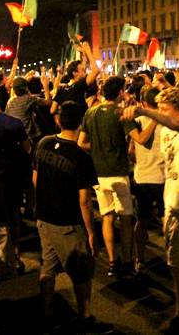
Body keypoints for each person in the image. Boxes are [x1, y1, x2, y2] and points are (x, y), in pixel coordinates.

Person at [123, 87, 179, 334]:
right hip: (172, 200)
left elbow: (175, 125)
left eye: (163, 109)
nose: (158, 114)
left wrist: (140, 109)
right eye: (157, 108)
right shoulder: (167, 133)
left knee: (175, 261)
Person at [33, 101, 112, 333]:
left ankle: (47, 313)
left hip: (44, 217)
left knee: (48, 267)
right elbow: (84, 200)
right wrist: (90, 233)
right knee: (81, 272)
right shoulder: (81, 157)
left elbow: (35, 179)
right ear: (81, 122)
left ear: (58, 119)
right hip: (67, 222)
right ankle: (84, 316)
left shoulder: (44, 143)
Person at [79, 76, 157, 277]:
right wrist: (156, 120)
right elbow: (140, 139)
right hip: (119, 171)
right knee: (125, 219)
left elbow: (81, 143)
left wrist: (97, 148)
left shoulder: (90, 113)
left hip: (98, 174)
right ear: (120, 92)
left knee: (107, 216)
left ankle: (112, 262)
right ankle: (129, 261)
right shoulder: (120, 113)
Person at [0, 88, 30, 274]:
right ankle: (16, 253)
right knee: (15, 211)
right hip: (14, 173)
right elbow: (27, 147)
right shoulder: (15, 123)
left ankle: (0, 256)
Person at [130, 86, 165, 272]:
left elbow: (130, 151)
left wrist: (140, 162)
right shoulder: (165, 122)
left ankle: (140, 259)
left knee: (142, 220)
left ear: (143, 103)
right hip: (162, 177)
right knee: (165, 219)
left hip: (142, 177)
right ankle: (172, 256)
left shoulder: (136, 121)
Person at [51, 41, 100, 117]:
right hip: (79, 125)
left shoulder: (61, 88)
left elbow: (52, 110)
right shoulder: (78, 86)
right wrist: (88, 51)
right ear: (75, 73)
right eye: (83, 70)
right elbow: (96, 71)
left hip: (66, 126)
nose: (85, 73)